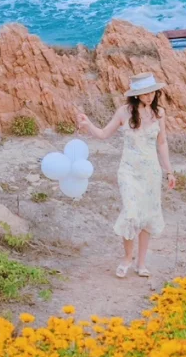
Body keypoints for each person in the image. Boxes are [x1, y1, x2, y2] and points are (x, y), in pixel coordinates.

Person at [75, 73, 176, 278]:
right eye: (144, 93)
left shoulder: (160, 113)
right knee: (131, 214)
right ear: (136, 95)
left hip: (151, 172)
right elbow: (104, 134)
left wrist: (169, 171)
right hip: (128, 171)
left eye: (151, 92)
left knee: (147, 215)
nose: (149, 96)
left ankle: (141, 263)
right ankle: (127, 259)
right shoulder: (124, 112)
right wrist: (88, 125)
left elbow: (162, 142)